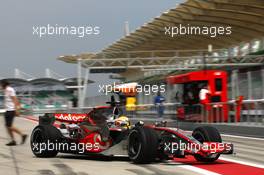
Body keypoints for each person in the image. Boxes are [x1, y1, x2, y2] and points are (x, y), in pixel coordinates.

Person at [1, 80, 27, 146]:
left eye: (1, 84)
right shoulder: (6, 90)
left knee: (9, 126)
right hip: (8, 110)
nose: (0, 86)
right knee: (7, 126)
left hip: (11, 110)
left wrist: (17, 110)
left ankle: (22, 135)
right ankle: (13, 141)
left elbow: (15, 99)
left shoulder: (10, 89)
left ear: (4, 84)